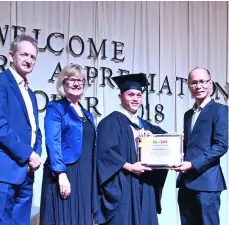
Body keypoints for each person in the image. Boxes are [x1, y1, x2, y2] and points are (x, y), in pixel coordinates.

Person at [93, 73, 168, 225]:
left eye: (139, 95)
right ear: (120, 97)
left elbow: (167, 143)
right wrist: (130, 167)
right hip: (123, 184)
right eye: (131, 94)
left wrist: (151, 138)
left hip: (145, 186)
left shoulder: (147, 126)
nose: (135, 99)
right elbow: (104, 154)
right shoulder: (110, 122)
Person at [0, 34, 42, 225]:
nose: (29, 60)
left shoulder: (31, 93)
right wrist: (29, 153)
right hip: (4, 172)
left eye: (33, 57)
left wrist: (35, 156)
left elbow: (35, 131)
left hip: (26, 174)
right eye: (24, 55)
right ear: (11, 56)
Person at [39, 64, 96, 225]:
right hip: (65, 173)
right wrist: (61, 174)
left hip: (85, 176)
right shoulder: (56, 108)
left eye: (81, 80)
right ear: (63, 82)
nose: (77, 83)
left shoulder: (88, 115)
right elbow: (53, 141)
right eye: (72, 79)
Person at [173, 67, 228, 225]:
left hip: (207, 183)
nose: (199, 86)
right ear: (189, 86)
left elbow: (221, 146)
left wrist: (192, 164)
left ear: (211, 84)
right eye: (194, 82)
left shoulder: (221, 110)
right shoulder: (188, 115)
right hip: (186, 183)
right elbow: (189, 145)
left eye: (203, 81)